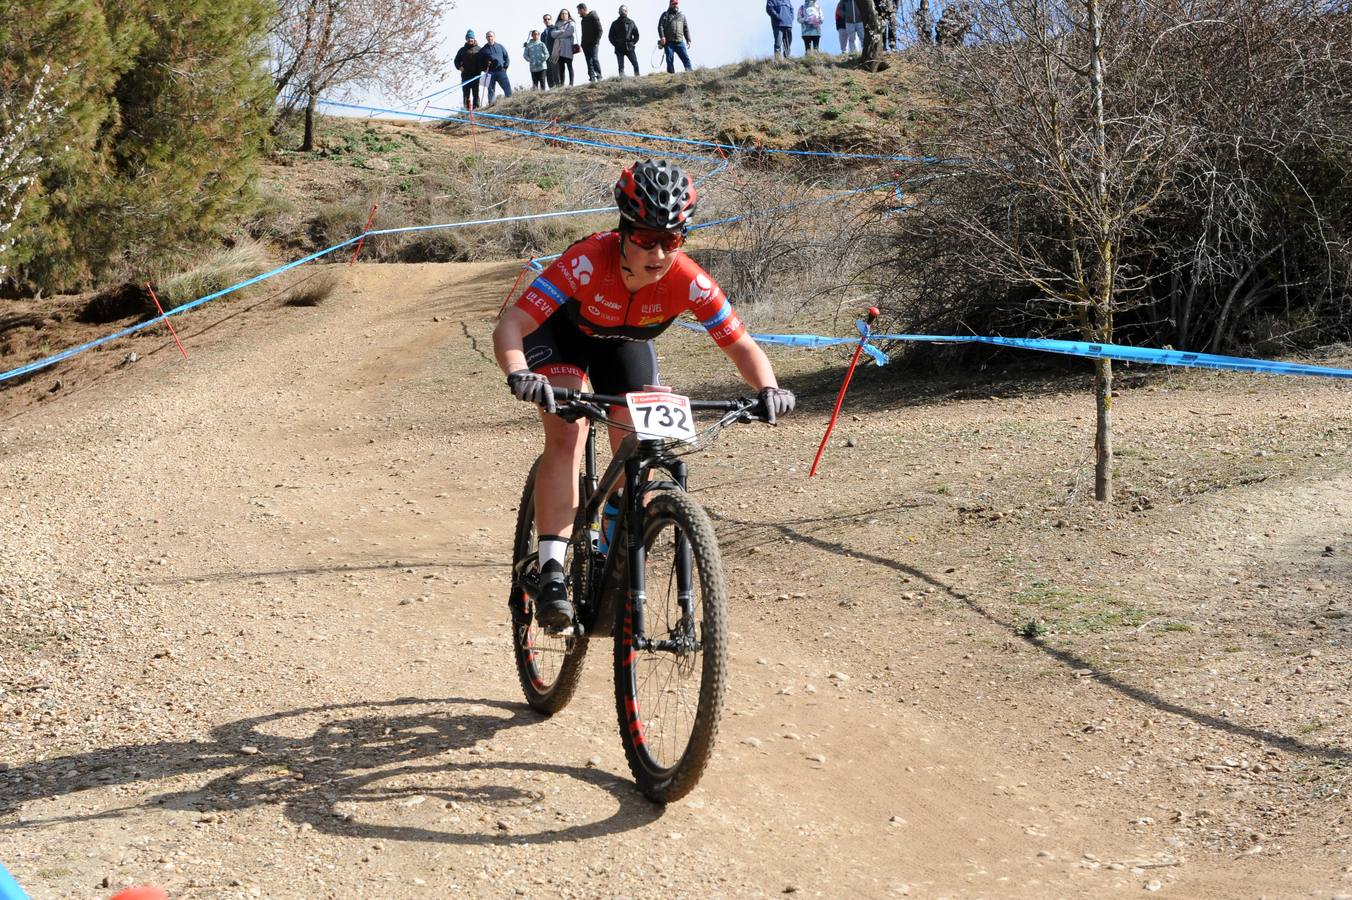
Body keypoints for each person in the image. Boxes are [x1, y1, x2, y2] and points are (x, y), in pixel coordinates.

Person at [492, 161, 795, 629]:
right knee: (568, 432)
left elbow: (741, 345)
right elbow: (513, 323)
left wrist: (768, 389)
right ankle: (551, 569)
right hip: (561, 337)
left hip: (627, 345)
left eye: (671, 239)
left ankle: (614, 538)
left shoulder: (690, 281)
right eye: (646, 238)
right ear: (623, 232)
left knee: (638, 446)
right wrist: (519, 372)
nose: (658, 252)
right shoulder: (587, 261)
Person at [657, 0, 693, 72]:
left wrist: (688, 40)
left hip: (680, 42)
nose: (675, 5)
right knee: (669, 59)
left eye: (676, 4)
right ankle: (671, 75)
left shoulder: (682, 16)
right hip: (669, 42)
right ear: (670, 4)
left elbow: (686, 29)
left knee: (686, 58)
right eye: (673, 4)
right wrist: (662, 37)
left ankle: (690, 73)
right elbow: (660, 26)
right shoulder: (665, 15)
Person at [453, 30, 483, 110]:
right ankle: (467, 109)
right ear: (466, 39)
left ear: (474, 39)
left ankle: (476, 108)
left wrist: (483, 67)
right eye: (469, 38)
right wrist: (459, 67)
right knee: (466, 94)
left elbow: (483, 60)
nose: (470, 39)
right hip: (465, 75)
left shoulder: (479, 49)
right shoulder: (462, 50)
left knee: (476, 93)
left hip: (476, 75)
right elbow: (456, 60)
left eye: (472, 38)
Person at [480, 31, 512, 104]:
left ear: (494, 37)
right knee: (491, 90)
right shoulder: (483, 50)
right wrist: (484, 69)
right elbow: (480, 62)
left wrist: (505, 67)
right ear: (486, 38)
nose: (489, 38)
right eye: (488, 36)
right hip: (489, 72)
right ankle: (491, 105)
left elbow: (506, 57)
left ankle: (510, 102)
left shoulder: (500, 46)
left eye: (491, 36)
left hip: (501, 71)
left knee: (507, 88)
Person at [609, 5, 641, 75]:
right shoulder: (614, 23)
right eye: (621, 11)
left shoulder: (631, 22)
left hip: (629, 47)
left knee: (635, 63)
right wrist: (616, 44)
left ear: (627, 12)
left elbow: (637, 35)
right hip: (619, 48)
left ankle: (637, 77)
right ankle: (622, 81)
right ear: (619, 12)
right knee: (621, 67)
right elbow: (610, 36)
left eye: (624, 11)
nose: (623, 12)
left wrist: (632, 43)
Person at [578, 3, 605, 81]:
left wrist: (596, 42)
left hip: (593, 44)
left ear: (583, 9)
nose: (578, 12)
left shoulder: (593, 16)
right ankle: (592, 78)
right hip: (585, 45)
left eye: (579, 10)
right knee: (589, 62)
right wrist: (582, 44)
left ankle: (599, 77)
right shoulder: (583, 20)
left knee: (594, 59)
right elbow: (584, 33)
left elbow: (600, 30)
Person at [552, 8, 577, 86]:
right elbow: (553, 34)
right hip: (559, 49)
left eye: (565, 13)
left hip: (568, 48)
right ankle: (562, 84)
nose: (564, 15)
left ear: (568, 15)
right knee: (561, 68)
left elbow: (569, 32)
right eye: (562, 13)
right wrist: (561, 31)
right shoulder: (557, 24)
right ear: (560, 15)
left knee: (570, 66)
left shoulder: (571, 23)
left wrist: (559, 35)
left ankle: (571, 84)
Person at [542, 13, 560, 86]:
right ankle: (551, 88)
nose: (547, 20)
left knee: (556, 72)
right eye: (545, 19)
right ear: (543, 21)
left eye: (548, 19)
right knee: (548, 72)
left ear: (551, 20)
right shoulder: (543, 33)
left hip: (554, 53)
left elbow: (559, 41)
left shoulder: (555, 29)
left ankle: (559, 87)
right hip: (546, 55)